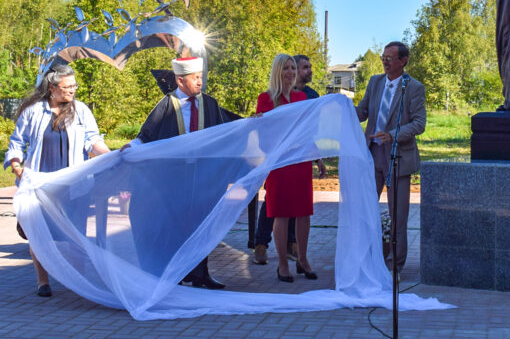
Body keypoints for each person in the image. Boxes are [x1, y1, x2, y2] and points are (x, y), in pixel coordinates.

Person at [4, 64, 110, 297]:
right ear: (52, 88)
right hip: (40, 186)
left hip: (74, 186)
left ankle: (79, 282)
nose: (72, 90)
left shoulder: (81, 111)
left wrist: (111, 156)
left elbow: (92, 140)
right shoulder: (33, 111)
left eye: (74, 85)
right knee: (39, 234)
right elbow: (17, 142)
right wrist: (16, 165)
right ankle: (43, 282)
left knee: (75, 236)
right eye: (67, 86)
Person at [121, 56, 227, 289]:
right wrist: (132, 146)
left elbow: (226, 132)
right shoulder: (167, 105)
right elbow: (146, 135)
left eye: (201, 77)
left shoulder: (210, 104)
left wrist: (252, 123)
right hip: (173, 179)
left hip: (202, 177)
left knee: (201, 224)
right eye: (195, 78)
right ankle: (174, 274)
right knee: (174, 225)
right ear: (180, 81)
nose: (200, 82)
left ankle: (201, 273)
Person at [355, 41, 426, 273]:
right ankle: (365, 260)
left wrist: (393, 135)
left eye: (390, 57)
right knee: (365, 210)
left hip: (398, 158)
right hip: (372, 155)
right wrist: (341, 108)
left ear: (403, 61)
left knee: (398, 217)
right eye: (383, 57)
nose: (385, 61)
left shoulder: (413, 87)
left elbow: (419, 123)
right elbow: (363, 111)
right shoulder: (375, 82)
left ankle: (394, 266)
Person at [249, 54, 327, 264]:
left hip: (301, 162)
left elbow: (307, 133)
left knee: (303, 212)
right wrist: (258, 125)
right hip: (279, 163)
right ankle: (282, 264)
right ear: (277, 71)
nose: (291, 72)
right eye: (286, 68)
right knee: (280, 213)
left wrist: (317, 158)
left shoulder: (302, 99)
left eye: (293, 68)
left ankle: (303, 260)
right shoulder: (265, 99)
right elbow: (263, 140)